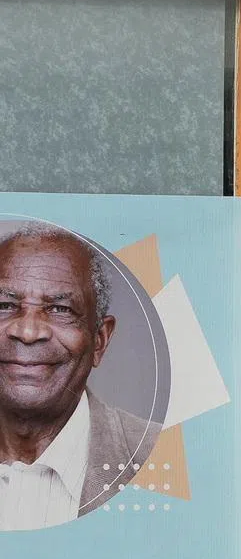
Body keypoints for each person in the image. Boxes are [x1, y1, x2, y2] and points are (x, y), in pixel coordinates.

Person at [0, 223, 161, 531]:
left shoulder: (159, 458)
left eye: (59, 309)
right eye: (5, 306)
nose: (28, 332)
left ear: (99, 340)